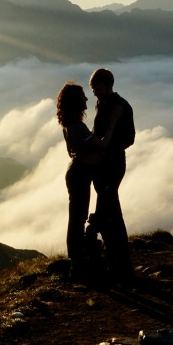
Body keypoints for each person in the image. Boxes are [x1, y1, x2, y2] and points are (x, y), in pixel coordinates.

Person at [56, 81, 110, 280]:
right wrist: (113, 122)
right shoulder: (77, 127)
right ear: (75, 102)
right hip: (80, 175)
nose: (87, 99)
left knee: (77, 217)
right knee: (78, 218)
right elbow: (102, 144)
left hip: (77, 173)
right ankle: (77, 263)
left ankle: (77, 260)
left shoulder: (70, 125)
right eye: (83, 96)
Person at [88, 67, 136, 279]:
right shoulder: (103, 104)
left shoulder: (121, 107)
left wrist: (106, 146)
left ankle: (118, 261)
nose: (94, 93)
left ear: (108, 86)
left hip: (113, 164)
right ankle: (118, 260)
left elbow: (129, 138)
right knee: (112, 211)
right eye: (93, 89)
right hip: (103, 165)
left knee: (110, 210)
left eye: (97, 88)